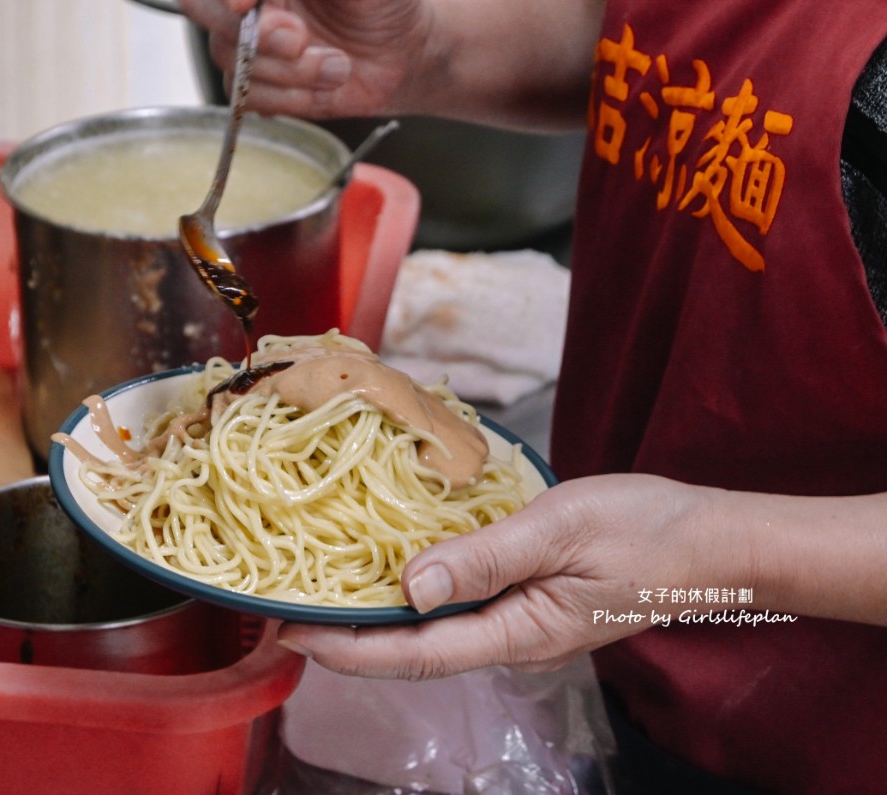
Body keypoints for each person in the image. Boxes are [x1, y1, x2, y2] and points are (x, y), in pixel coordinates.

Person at [181, 1, 887, 792]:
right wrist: (429, 53)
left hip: (819, 730)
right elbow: (661, 42)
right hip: (617, 612)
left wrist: (710, 551)